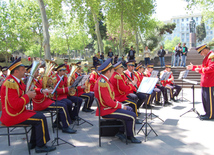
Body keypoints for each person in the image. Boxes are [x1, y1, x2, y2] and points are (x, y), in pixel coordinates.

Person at [0, 57, 56, 153]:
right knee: (40, 118)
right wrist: (27, 96)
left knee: (38, 117)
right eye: (23, 70)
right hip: (13, 115)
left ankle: (34, 142)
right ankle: (40, 146)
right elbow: (15, 104)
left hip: (19, 111)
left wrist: (43, 90)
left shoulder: (17, 80)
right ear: (16, 72)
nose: (26, 71)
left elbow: (30, 89)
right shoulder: (10, 83)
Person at [94, 58, 141, 143]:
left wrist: (119, 104)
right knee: (132, 115)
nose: (113, 72)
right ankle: (131, 136)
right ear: (108, 72)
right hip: (106, 110)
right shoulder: (103, 82)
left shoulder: (104, 80)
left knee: (130, 109)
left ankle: (120, 132)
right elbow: (108, 102)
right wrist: (121, 106)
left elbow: (111, 98)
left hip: (109, 107)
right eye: (112, 70)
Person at [186, 44, 214, 120]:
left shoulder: (212, 56)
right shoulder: (207, 57)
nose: (201, 54)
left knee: (209, 100)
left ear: (204, 50)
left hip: (209, 82)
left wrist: (200, 70)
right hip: (205, 82)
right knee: (205, 99)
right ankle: (207, 113)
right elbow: (203, 66)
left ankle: (211, 115)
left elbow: (212, 68)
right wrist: (193, 67)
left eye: (201, 52)